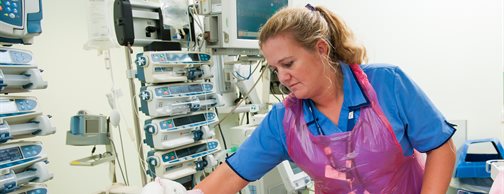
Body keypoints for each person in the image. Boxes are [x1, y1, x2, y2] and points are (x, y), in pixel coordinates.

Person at [156, 4, 456, 194]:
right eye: (275, 69)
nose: (282, 77)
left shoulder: (387, 84)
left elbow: (441, 148)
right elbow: (232, 175)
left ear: (322, 49)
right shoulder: (285, 120)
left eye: (289, 64)